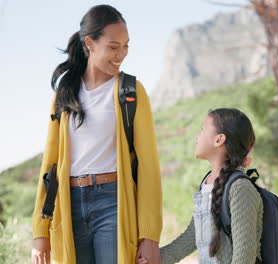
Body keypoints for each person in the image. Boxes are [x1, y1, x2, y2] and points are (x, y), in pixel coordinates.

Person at [31, 5, 162, 264]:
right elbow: (50, 165)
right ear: (90, 43)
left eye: (126, 46)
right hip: (69, 206)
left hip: (113, 202)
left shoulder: (131, 91)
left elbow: (148, 165)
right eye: (114, 47)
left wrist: (150, 236)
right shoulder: (64, 94)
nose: (121, 54)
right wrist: (40, 230)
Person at [139, 108, 263, 264]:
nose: (197, 137)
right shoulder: (207, 184)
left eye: (202, 130)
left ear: (219, 140)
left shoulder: (240, 188)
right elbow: (193, 235)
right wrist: (155, 259)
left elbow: (244, 256)